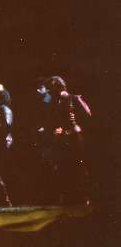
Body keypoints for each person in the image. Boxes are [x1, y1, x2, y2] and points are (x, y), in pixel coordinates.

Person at [35, 76, 92, 205]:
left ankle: (83, 197)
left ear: (57, 87)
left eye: (50, 89)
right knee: (65, 168)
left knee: (77, 167)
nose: (49, 92)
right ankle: (71, 198)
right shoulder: (56, 102)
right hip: (63, 140)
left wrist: (68, 130)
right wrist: (57, 130)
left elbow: (87, 117)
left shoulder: (73, 99)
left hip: (74, 139)